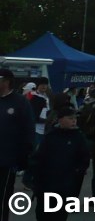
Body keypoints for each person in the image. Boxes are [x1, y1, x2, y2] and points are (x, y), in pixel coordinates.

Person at [29, 105, 90, 221]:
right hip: (46, 183)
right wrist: (34, 177)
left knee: (60, 214)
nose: (74, 120)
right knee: (43, 213)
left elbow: (84, 157)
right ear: (61, 119)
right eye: (70, 118)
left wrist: (78, 171)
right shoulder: (51, 136)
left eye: (75, 118)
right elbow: (38, 157)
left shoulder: (78, 137)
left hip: (65, 183)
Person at [1, 68, 35, 221]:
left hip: (7, 159)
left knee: (2, 196)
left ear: (6, 81)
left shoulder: (20, 102)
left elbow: (28, 130)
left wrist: (24, 156)